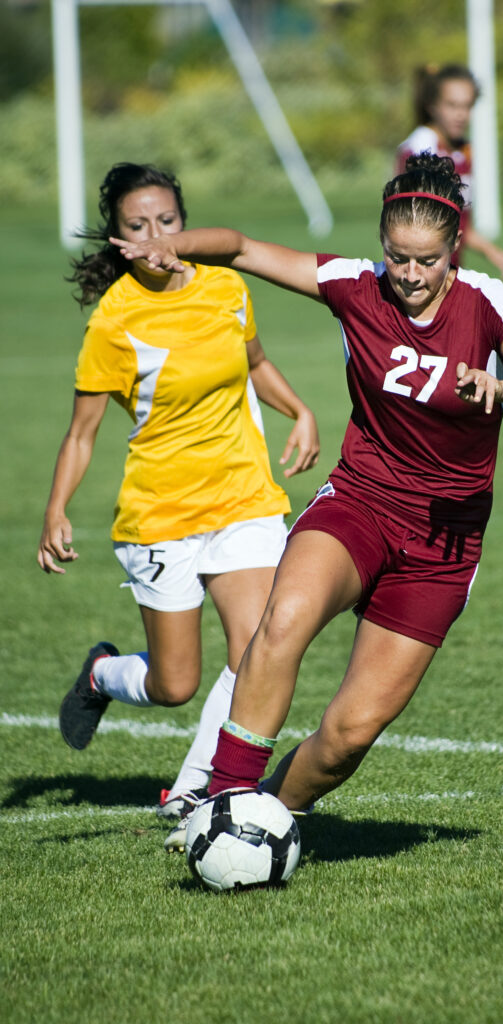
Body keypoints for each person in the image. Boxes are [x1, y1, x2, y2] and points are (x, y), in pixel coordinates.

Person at [112, 153, 503, 844]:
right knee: (284, 620)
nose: (411, 275)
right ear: (382, 245)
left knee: (348, 736)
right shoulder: (351, 284)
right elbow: (242, 247)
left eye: (426, 260)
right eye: (398, 257)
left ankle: (263, 815)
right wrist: (168, 243)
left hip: (443, 543)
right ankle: (224, 802)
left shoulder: (490, 303)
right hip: (360, 501)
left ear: (453, 251)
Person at [38, 162, 320, 818]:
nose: (154, 235)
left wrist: (299, 410)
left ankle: (197, 789)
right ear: (118, 238)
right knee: (175, 684)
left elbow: (255, 364)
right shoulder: (114, 321)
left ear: (184, 224)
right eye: (137, 225)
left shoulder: (225, 288)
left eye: (166, 220)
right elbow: (81, 433)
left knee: (256, 648)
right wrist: (56, 509)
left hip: (245, 497)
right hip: (161, 513)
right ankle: (102, 675)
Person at [396, 63, 503, 282]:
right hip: (418, 278)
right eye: (452, 105)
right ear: (431, 106)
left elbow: (460, 223)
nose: (461, 115)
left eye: (467, 106)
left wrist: (493, 253)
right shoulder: (420, 150)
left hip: (449, 274)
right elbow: (411, 225)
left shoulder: (463, 152)